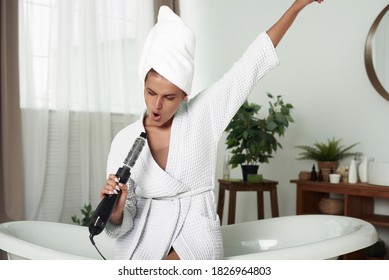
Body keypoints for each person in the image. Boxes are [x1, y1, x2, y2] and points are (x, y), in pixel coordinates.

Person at [101, 0, 323, 260]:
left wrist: (297, 6)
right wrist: (115, 209)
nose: (156, 105)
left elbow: (251, 63)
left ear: (184, 95)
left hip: (194, 232)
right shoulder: (124, 140)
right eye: (151, 92)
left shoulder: (203, 114)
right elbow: (121, 223)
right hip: (144, 237)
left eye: (169, 97)